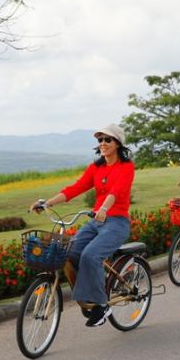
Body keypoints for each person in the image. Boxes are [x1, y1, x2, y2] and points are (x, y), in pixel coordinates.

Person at [30, 124, 135, 327]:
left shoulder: (126, 167)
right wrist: (47, 203)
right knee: (69, 251)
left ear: (118, 144)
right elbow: (76, 188)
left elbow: (116, 191)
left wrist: (104, 208)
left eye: (108, 140)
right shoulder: (96, 168)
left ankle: (102, 306)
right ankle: (92, 292)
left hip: (116, 222)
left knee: (90, 255)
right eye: (100, 140)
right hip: (96, 221)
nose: (103, 143)